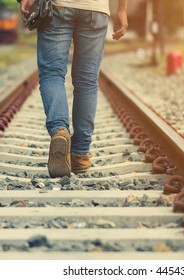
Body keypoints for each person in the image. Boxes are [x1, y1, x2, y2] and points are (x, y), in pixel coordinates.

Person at [19, 0, 128, 177]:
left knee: (52, 74)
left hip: (59, 7)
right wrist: (122, 9)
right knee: (87, 81)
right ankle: (80, 154)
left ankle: (60, 130)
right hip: (96, 9)